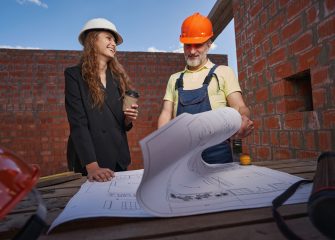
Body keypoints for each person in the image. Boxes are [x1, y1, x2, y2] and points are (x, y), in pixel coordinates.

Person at [158, 12, 254, 164]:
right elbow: (166, 113)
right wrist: (161, 140)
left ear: (209, 44)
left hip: (219, 155)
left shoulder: (223, 72)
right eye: (188, 45)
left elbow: (240, 106)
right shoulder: (175, 79)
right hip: (183, 156)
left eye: (198, 45)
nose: (192, 51)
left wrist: (243, 119)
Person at [64, 18, 139, 182]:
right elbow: (78, 123)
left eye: (115, 41)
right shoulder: (74, 76)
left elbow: (120, 123)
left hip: (118, 157)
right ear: (93, 39)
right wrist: (92, 166)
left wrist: (127, 118)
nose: (114, 44)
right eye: (109, 38)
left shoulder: (118, 78)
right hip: (90, 161)